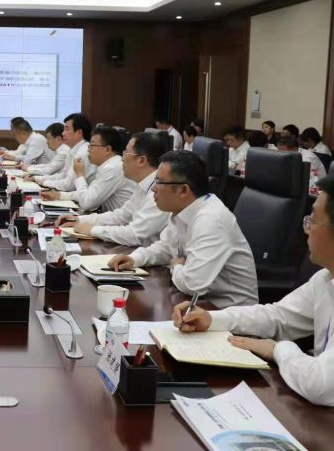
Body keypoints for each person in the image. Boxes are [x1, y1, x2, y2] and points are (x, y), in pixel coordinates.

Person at [172, 173, 334, 407]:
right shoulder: (324, 279)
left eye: (313, 220)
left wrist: (277, 349)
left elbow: (321, 385)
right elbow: (278, 316)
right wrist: (211, 319)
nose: (306, 229)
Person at [108, 150, 258, 309]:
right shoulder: (181, 210)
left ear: (183, 190)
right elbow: (166, 247)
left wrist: (176, 266)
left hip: (226, 311)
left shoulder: (211, 220)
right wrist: (135, 259)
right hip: (196, 303)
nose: (153, 189)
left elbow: (193, 284)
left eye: (159, 182)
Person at [58, 132, 169, 246]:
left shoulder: (161, 189)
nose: (122, 158)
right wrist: (80, 220)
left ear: (141, 160)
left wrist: (92, 230)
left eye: (126, 152)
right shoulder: (144, 185)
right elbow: (121, 216)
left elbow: (134, 234)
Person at [41, 126, 135, 212]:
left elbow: (87, 203)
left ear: (107, 149)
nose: (88, 149)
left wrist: (79, 175)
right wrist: (60, 195)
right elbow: (89, 193)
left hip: (121, 221)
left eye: (92, 145)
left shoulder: (112, 168)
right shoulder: (107, 165)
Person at [38, 113, 96, 191]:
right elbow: (63, 175)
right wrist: (39, 179)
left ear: (79, 133)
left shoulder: (82, 153)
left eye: (67, 129)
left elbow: (68, 185)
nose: (63, 133)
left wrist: (44, 182)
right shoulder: (73, 150)